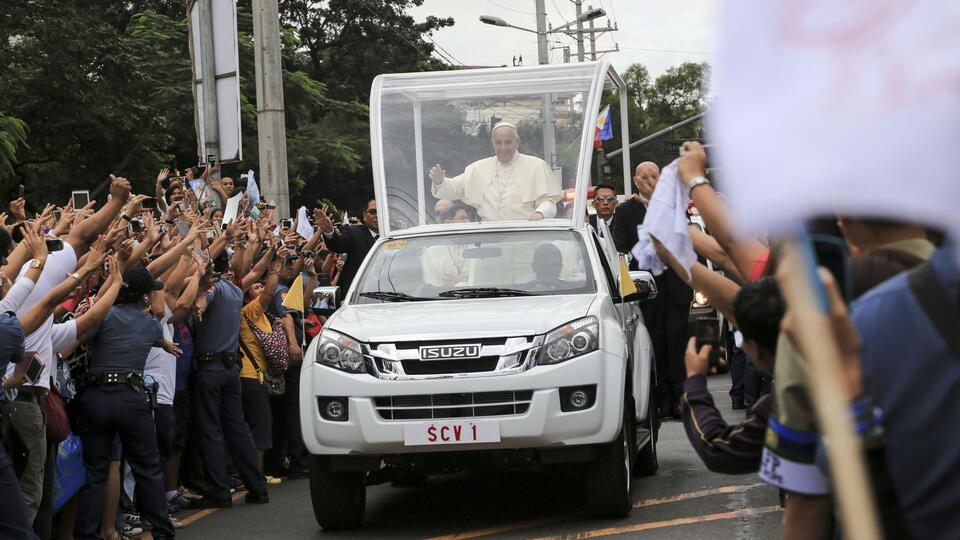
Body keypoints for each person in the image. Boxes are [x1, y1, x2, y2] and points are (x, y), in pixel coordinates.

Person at [73, 267, 179, 540]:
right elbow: (157, 334)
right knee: (148, 469)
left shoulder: (104, 315)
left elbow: (81, 336)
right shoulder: (149, 324)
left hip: (96, 396)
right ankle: (162, 532)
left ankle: (87, 534)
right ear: (143, 297)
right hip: (131, 398)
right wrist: (165, 344)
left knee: (95, 472)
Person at [191, 234, 269, 507]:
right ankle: (257, 486)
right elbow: (253, 270)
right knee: (238, 427)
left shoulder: (212, 290)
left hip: (210, 368)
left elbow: (199, 306)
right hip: (230, 368)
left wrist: (197, 298)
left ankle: (218, 491)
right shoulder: (236, 290)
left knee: (212, 430)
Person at [612, 162, 693, 419]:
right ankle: (659, 401)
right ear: (636, 181)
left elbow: (687, 239)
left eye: (654, 176)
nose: (649, 181)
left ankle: (681, 399)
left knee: (676, 341)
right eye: (644, 177)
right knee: (654, 342)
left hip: (676, 286)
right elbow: (619, 247)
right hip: (648, 288)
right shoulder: (626, 211)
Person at [681, 277, 784, 474]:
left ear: (754, 347)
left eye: (741, 336)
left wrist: (694, 381)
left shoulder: (789, 404)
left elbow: (718, 448)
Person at [428, 122, 562, 222]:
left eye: (508, 142)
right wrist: (439, 182)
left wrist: (540, 213)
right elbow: (454, 189)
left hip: (525, 233)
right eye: (498, 143)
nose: (503, 148)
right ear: (493, 143)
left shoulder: (537, 166)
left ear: (517, 142)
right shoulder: (478, 168)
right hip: (491, 237)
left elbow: (549, 201)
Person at [315, 199, 379, 298]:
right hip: (358, 296)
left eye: (380, 211)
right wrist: (329, 231)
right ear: (364, 216)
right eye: (372, 212)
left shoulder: (396, 235)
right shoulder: (354, 233)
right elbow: (338, 245)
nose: (377, 215)